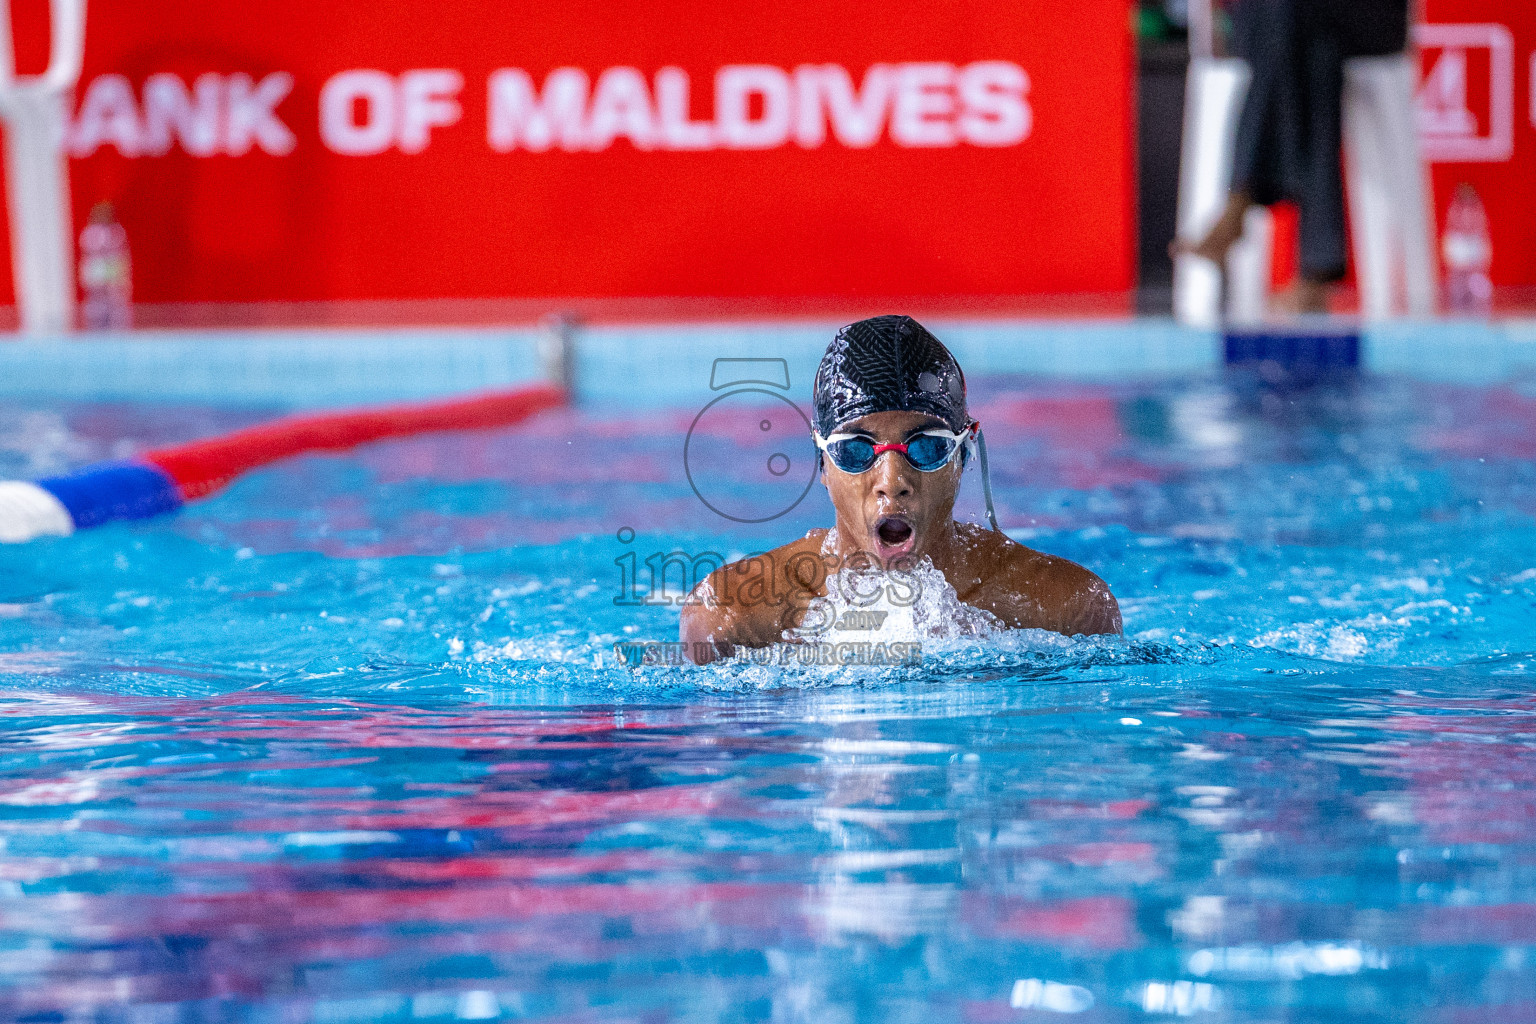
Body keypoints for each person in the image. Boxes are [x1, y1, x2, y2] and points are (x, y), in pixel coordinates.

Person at [680, 315, 1121, 664]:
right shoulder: (735, 615)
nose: (892, 482)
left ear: (962, 458)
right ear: (823, 464)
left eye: (926, 448)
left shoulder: (1065, 608)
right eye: (856, 450)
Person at [1177, 0, 1411, 313]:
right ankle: (1317, 269)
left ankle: (1242, 194)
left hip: (1362, 18)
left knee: (1299, 31)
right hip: (1276, 22)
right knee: (1306, 44)